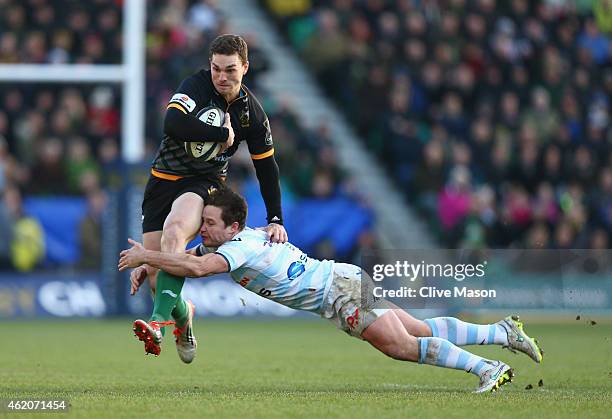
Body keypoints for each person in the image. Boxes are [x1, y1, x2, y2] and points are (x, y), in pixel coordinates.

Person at [119, 188, 543, 393]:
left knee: (401, 346)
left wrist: (147, 258)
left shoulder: (240, 247)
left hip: (337, 292)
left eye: (209, 223)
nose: (203, 228)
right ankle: (502, 332)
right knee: (420, 330)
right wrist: (150, 263)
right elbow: (185, 259)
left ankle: (486, 368)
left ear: (231, 227)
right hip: (341, 280)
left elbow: (193, 267)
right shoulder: (232, 240)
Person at [140, 34, 287, 364]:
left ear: (245, 68)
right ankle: (183, 318)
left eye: (230, 70)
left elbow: (267, 167)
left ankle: (157, 323)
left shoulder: (252, 114)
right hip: (162, 182)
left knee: (175, 232)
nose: (222, 76)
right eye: (217, 69)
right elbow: (173, 123)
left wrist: (276, 217)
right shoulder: (195, 85)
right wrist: (222, 134)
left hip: (204, 183)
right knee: (154, 274)